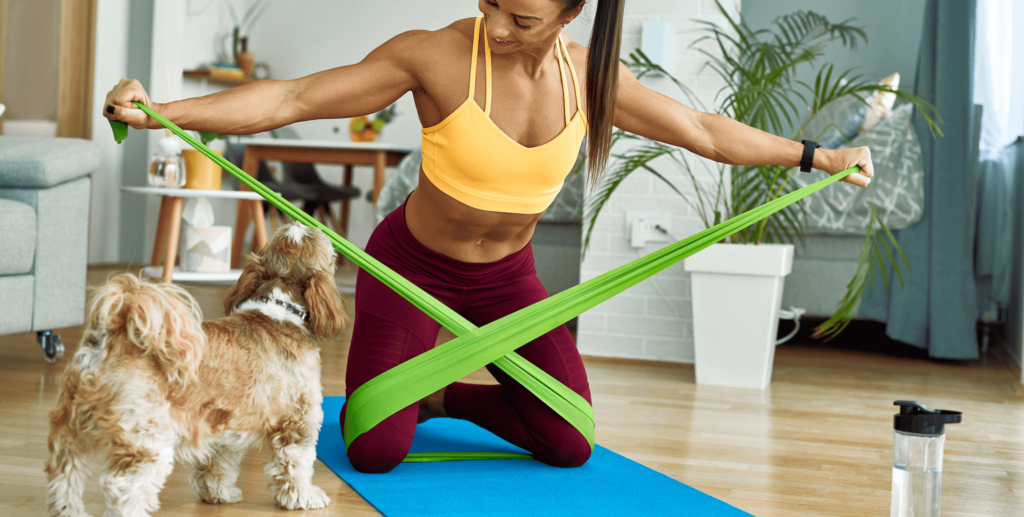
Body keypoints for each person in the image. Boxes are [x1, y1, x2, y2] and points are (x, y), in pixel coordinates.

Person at [103, 0, 874, 474]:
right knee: (373, 447)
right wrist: (160, 108)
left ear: (572, 14)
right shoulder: (438, 53)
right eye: (492, 5)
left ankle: (448, 394)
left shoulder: (589, 78)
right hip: (411, 268)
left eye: (523, 19)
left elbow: (704, 130)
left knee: (570, 442)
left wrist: (820, 156)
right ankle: (412, 396)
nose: (497, 27)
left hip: (509, 282)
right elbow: (295, 97)